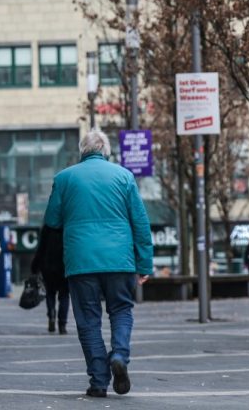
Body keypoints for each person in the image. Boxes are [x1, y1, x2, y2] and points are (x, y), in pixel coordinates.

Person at [43, 129, 153, 398]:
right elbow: (140, 223)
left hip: (81, 261)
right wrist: (145, 264)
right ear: (106, 151)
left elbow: (52, 221)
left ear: (83, 150)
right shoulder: (124, 177)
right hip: (120, 261)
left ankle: (98, 381)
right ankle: (119, 355)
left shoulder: (64, 178)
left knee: (88, 321)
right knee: (121, 311)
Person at [30, 224, 69, 334]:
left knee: (50, 293)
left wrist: (35, 267)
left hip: (48, 266)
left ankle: (51, 314)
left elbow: (41, 248)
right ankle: (62, 324)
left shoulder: (47, 228)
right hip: (64, 265)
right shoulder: (67, 225)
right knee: (64, 295)